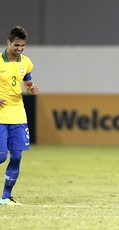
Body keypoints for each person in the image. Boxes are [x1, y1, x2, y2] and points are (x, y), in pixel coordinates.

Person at [0, 26, 40, 206]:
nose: (19, 49)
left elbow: (28, 84)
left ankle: (5, 197)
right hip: (1, 115)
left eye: (22, 45)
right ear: (8, 43)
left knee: (16, 156)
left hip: (18, 114)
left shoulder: (26, 62)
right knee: (1, 157)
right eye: (16, 45)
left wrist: (32, 89)